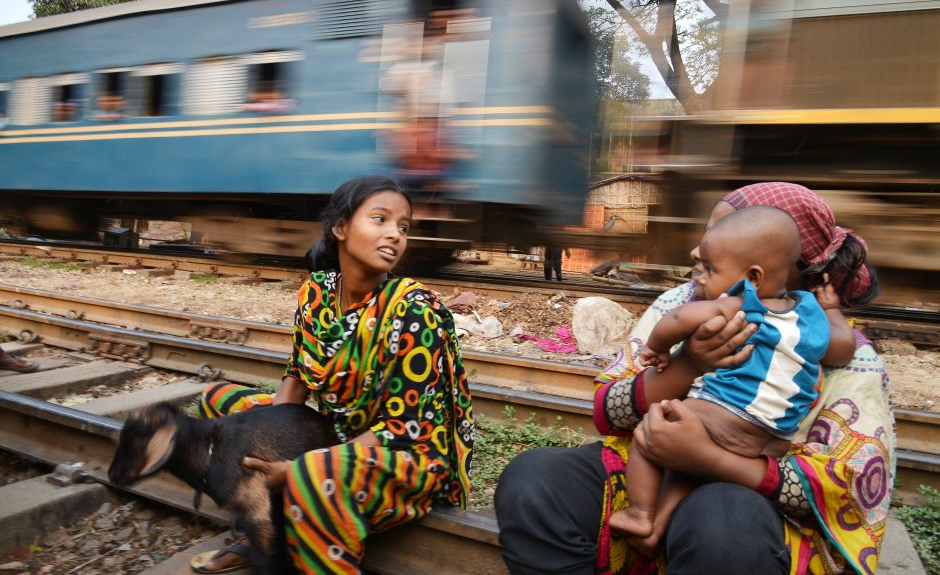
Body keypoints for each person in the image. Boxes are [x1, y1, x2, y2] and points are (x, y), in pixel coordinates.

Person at [495, 182, 893, 575]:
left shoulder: (848, 355)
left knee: (723, 526)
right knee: (535, 481)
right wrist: (687, 365)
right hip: (648, 476)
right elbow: (608, 410)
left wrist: (708, 458)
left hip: (756, 503)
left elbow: (844, 492)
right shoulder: (681, 302)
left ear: (771, 267)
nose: (693, 251)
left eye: (715, 238)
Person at [190, 176, 474, 574]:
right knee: (220, 403)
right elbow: (297, 377)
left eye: (403, 227)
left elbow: (401, 430)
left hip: (405, 458)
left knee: (309, 474)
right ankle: (265, 530)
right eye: (380, 219)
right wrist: (267, 442)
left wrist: (295, 470)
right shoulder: (317, 294)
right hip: (337, 436)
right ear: (340, 228)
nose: (395, 234)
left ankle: (303, 526)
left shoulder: (414, 311)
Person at [608, 206, 855, 555]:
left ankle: (640, 512)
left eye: (710, 268)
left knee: (653, 432)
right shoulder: (808, 312)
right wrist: (831, 310)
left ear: (752, 277)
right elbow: (843, 350)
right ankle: (657, 526)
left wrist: (659, 348)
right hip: (772, 438)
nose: (702, 272)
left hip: (723, 415)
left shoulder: (740, 304)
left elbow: (680, 318)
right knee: (687, 465)